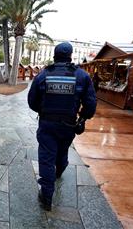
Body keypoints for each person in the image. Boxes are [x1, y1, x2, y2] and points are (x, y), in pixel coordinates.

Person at [27, 42, 96, 211]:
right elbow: (90, 103)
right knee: (63, 150)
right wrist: (83, 118)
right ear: (70, 56)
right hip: (69, 125)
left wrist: (44, 111)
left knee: (46, 158)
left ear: (54, 56)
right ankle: (59, 171)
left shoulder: (43, 75)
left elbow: (32, 101)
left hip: (47, 124)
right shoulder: (82, 76)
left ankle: (47, 197)